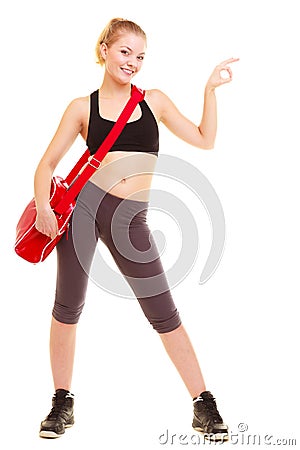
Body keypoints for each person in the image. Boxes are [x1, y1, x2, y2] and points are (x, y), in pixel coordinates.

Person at [34, 18, 238, 441]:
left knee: (163, 312)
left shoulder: (154, 102)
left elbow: (205, 139)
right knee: (67, 307)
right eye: (125, 52)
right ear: (105, 49)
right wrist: (42, 207)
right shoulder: (80, 107)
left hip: (132, 218)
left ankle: (203, 403)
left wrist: (209, 91)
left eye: (141, 56)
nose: (133, 62)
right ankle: (61, 402)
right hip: (83, 211)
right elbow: (46, 165)